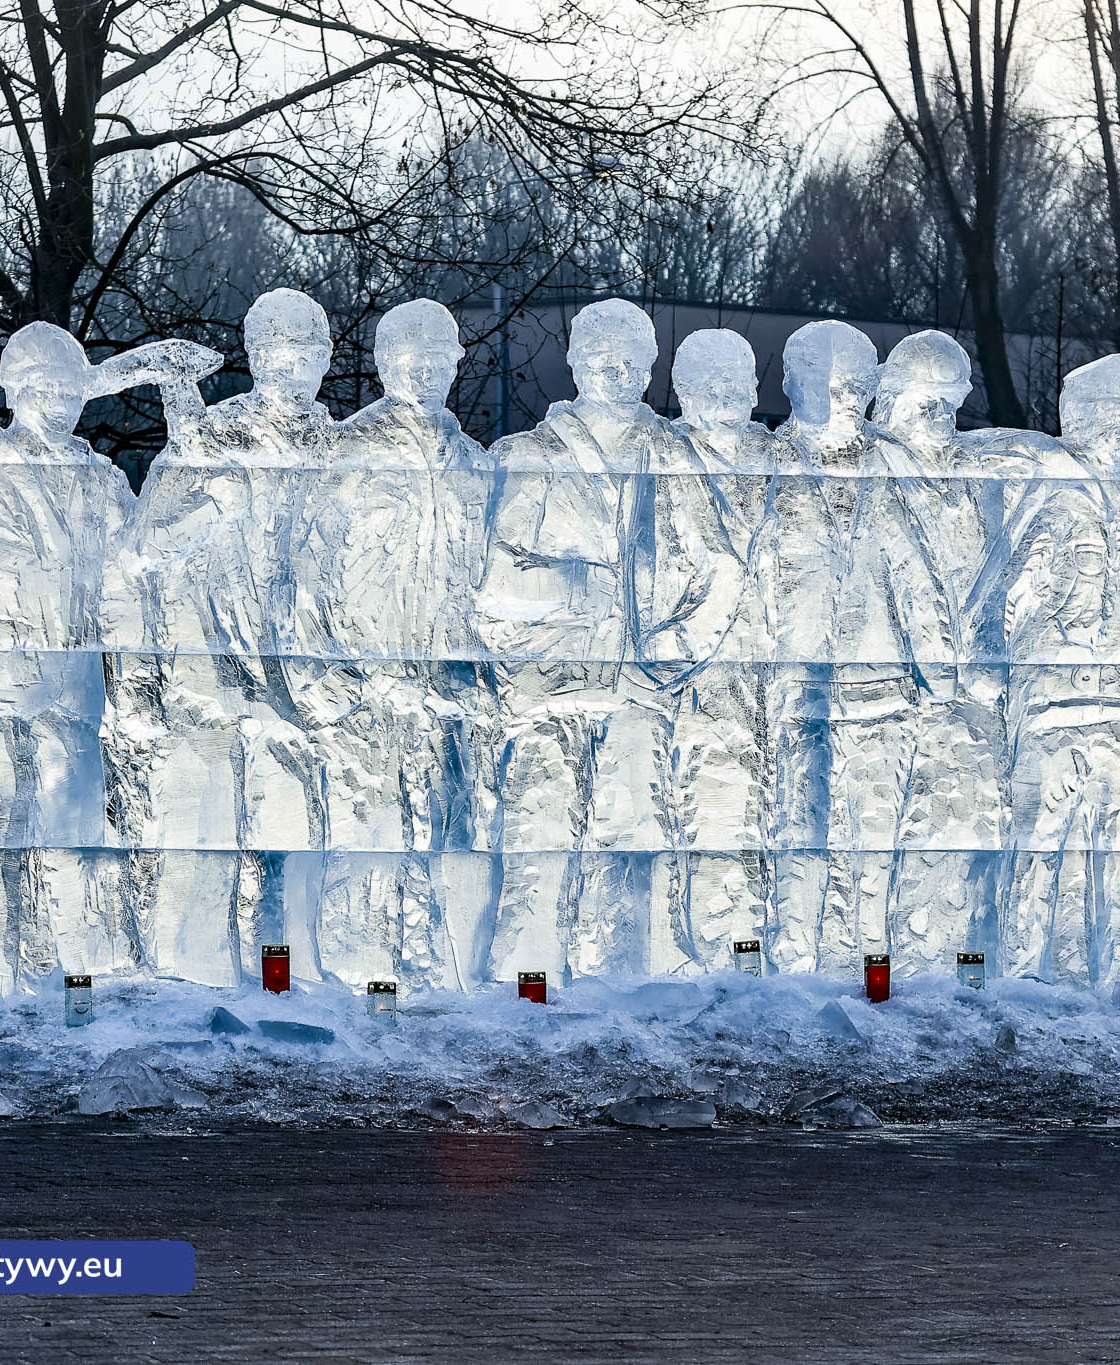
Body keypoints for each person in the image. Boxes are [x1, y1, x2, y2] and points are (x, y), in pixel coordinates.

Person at [0, 323, 219, 998]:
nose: (58, 401)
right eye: (42, 386)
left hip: (71, 705)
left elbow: (145, 559)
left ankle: (83, 991)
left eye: (70, 387)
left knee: (79, 857)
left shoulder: (100, 481)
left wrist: (190, 441)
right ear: (12, 388)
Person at [472, 298, 729, 980]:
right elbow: (491, 579)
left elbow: (719, 571)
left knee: (637, 833)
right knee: (539, 833)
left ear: (649, 369)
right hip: (548, 690)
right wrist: (574, 603)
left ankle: (630, 978)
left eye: (630, 360)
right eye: (599, 356)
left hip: (638, 695)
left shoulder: (675, 457)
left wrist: (662, 665)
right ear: (574, 361)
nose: (613, 371)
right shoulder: (526, 459)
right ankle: (526, 976)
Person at [102, 288, 337, 986]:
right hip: (206, 680)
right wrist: (209, 508)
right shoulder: (211, 442)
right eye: (275, 353)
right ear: (254, 357)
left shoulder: (341, 449)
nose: (291, 368)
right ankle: (199, 980)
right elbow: (139, 555)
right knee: (206, 841)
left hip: (300, 676)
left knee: (290, 836)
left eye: (305, 353)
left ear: (325, 359)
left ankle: (285, 978)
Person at [283, 299, 495, 990]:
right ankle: (359, 986)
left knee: (439, 837)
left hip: (444, 697)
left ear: (458, 363)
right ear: (382, 363)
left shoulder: (475, 466)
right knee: (365, 841)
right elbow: (303, 575)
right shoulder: (346, 453)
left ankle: (431, 982)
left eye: (441, 354)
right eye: (412, 353)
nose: (428, 367)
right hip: (362, 697)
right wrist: (333, 685)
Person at [751, 320, 950, 973]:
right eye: (830, 385)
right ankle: (792, 968)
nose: (844, 400)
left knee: (873, 846)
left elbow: (921, 576)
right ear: (794, 384)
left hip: (880, 692)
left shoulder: (892, 467)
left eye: (857, 388)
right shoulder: (764, 464)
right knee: (795, 838)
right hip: (794, 690)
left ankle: (868, 966)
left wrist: (944, 678)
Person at [993, 353, 1120, 987]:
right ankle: (1018, 977)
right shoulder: (1052, 499)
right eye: (1118, 415)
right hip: (1055, 710)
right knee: (1038, 851)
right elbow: (1018, 600)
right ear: (1084, 417)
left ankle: (1119, 979)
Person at [872, 330, 1005, 972]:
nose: (941, 422)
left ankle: (955, 960)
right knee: (888, 840)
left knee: (961, 833)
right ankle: (888, 963)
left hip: (966, 698)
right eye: (928, 405)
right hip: (892, 692)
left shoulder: (964, 483)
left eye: (951, 407)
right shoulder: (872, 472)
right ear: (892, 399)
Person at [655, 328, 775, 970]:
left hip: (775, 681)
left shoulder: (781, 463)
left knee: (762, 824)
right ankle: (703, 951)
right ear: (681, 392)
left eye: (736, 380)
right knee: (703, 820)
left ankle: (751, 952)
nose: (725, 395)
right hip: (690, 682)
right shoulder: (660, 459)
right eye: (709, 383)